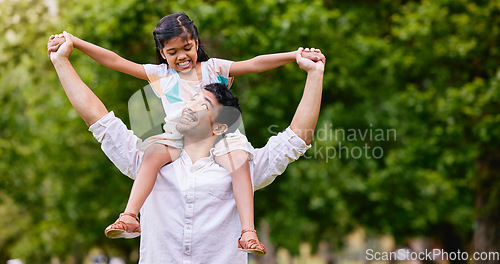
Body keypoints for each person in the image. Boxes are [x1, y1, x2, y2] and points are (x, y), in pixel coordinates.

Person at [47, 12, 323, 255]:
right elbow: (115, 61)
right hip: (175, 137)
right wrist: (75, 42)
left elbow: (255, 63)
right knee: (152, 156)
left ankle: (248, 231)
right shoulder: (161, 75)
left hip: (224, 140)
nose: (181, 57)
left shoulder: (214, 68)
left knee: (240, 166)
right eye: (172, 52)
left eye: (187, 48)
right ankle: (129, 215)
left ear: (196, 42)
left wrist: (294, 56)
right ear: (162, 52)